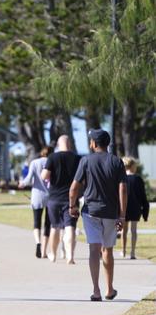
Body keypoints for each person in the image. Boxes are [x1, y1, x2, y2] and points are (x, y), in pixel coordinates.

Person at [69, 129, 126, 301]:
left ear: (94, 143)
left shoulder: (85, 160)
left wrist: (72, 206)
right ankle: (109, 289)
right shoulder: (116, 161)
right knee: (107, 249)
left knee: (94, 249)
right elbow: (123, 189)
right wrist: (122, 215)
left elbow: (73, 188)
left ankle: (96, 290)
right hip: (110, 212)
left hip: (90, 211)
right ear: (107, 144)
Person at [41, 135, 81, 264]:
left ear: (58, 144)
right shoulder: (77, 158)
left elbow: (44, 176)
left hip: (54, 197)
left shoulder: (53, 157)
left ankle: (53, 254)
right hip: (72, 197)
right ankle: (70, 256)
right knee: (71, 227)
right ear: (70, 144)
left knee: (55, 226)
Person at [20, 146, 52, 258]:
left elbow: (28, 179)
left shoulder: (34, 162)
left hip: (37, 195)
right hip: (50, 196)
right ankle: (44, 251)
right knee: (48, 224)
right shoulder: (53, 161)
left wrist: (22, 184)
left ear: (42, 153)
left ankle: (38, 243)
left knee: (36, 222)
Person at [121, 157, 149, 259]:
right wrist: (145, 213)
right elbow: (143, 196)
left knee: (124, 230)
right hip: (136, 207)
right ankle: (132, 252)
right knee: (133, 230)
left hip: (124, 207)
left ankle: (123, 251)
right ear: (133, 166)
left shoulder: (122, 178)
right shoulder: (138, 179)